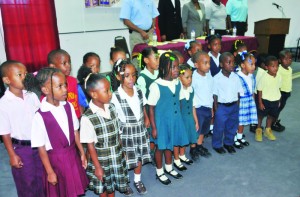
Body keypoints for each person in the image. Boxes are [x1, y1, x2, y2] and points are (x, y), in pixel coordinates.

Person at [30, 67, 89, 197]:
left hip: (72, 155)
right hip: (56, 162)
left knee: (75, 189)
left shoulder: (68, 106)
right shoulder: (40, 116)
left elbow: (75, 131)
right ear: (45, 90)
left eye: (65, 85)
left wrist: (81, 152)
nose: (65, 89)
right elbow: (41, 147)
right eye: (59, 86)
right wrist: (50, 171)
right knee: (62, 191)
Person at [80, 74, 130, 197]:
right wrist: (97, 167)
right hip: (101, 158)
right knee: (103, 186)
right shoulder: (88, 117)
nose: (110, 93)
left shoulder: (112, 107)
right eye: (106, 91)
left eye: (110, 90)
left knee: (111, 184)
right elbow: (90, 145)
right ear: (94, 94)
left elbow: (117, 131)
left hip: (116, 153)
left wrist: (122, 150)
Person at [0, 61, 44, 197]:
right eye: (20, 75)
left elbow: (40, 119)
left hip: (40, 145)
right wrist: (12, 155)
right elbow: (5, 132)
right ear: (7, 80)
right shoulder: (4, 104)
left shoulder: (32, 96)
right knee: (27, 183)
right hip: (22, 149)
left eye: (26, 74)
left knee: (43, 179)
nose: (25, 77)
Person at [111, 61, 151, 195]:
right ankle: (125, 182)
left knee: (138, 156)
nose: (131, 79)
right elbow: (115, 119)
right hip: (126, 132)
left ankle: (137, 180)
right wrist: (118, 137)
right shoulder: (115, 96)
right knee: (127, 158)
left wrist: (146, 117)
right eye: (127, 76)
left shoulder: (139, 90)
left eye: (133, 75)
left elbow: (143, 105)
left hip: (139, 129)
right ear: (118, 77)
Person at [148, 52, 188, 185]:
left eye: (178, 67)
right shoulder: (156, 86)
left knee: (170, 146)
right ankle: (159, 171)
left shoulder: (177, 83)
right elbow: (151, 108)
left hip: (174, 121)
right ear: (164, 68)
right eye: (174, 67)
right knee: (160, 147)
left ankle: (169, 167)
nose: (177, 70)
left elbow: (180, 101)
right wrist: (153, 127)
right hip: (161, 123)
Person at [212, 52, 242, 154]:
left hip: (234, 106)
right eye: (228, 62)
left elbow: (238, 92)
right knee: (219, 127)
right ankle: (217, 145)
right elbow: (215, 95)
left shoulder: (236, 77)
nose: (232, 64)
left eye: (233, 62)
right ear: (221, 64)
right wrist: (216, 109)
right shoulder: (216, 78)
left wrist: (237, 105)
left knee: (232, 126)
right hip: (222, 107)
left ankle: (228, 143)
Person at [136, 47, 159, 165]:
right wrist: (146, 117)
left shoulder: (158, 73)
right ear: (146, 60)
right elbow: (142, 100)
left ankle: (156, 150)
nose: (158, 61)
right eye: (155, 58)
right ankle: (150, 152)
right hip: (149, 111)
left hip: (158, 110)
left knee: (158, 132)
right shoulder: (142, 78)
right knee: (151, 135)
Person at [191, 51, 213, 158]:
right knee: (197, 129)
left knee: (204, 129)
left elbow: (210, 91)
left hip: (207, 106)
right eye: (205, 63)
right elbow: (192, 95)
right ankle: (193, 148)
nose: (208, 65)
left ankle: (199, 145)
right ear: (196, 65)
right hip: (198, 108)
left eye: (209, 63)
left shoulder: (209, 75)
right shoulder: (193, 77)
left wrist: (212, 107)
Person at [48, 49, 81, 118]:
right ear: (53, 67)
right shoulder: (49, 84)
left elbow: (77, 101)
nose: (68, 66)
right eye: (64, 63)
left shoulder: (73, 80)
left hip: (76, 118)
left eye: (69, 62)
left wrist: (80, 115)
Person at [255, 56, 281, 142]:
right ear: (267, 67)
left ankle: (268, 130)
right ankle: (258, 129)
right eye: (273, 66)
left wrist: (279, 100)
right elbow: (259, 90)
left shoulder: (279, 76)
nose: (275, 68)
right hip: (265, 101)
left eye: (277, 66)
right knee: (261, 116)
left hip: (275, 100)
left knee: (271, 116)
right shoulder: (264, 77)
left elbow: (278, 88)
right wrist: (260, 103)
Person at [234, 52, 257, 149]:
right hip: (241, 102)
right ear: (243, 65)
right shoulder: (237, 76)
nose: (253, 67)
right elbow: (236, 93)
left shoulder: (251, 76)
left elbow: (252, 90)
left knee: (243, 122)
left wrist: (253, 101)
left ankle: (240, 136)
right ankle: (234, 138)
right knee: (237, 122)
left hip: (249, 101)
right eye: (251, 64)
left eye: (254, 64)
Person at [178, 64, 199, 164]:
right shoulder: (178, 91)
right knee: (182, 137)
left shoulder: (191, 90)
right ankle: (179, 156)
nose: (190, 79)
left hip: (189, 117)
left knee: (189, 136)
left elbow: (193, 106)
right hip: (181, 118)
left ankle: (183, 155)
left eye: (191, 77)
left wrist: (196, 120)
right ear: (179, 77)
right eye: (187, 77)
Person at [271, 50, 293, 132]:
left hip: (286, 92)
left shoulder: (290, 69)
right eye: (286, 59)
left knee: (280, 109)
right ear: (280, 60)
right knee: (276, 109)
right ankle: (272, 124)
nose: (288, 61)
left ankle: (274, 122)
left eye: (290, 59)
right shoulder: (278, 69)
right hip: (280, 93)